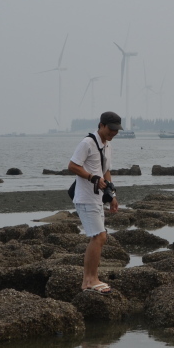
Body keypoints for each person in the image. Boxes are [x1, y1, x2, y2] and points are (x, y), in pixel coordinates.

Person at [67, 110, 122, 293]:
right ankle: (90, 280)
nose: (113, 133)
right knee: (99, 236)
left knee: (99, 237)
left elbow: (106, 171)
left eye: (116, 130)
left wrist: (112, 196)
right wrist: (92, 177)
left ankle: (89, 279)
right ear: (101, 125)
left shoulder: (107, 146)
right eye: (111, 129)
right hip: (85, 198)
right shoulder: (88, 143)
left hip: (97, 199)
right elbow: (73, 165)